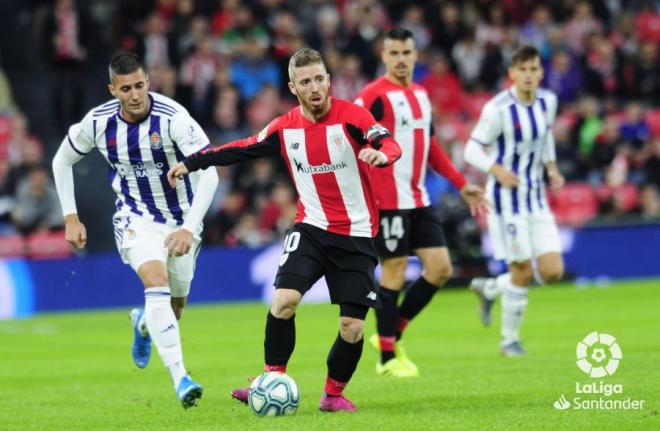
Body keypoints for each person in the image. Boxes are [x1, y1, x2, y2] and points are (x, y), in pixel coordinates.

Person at [168, 48, 402, 412]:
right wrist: (193, 162)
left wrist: (382, 154)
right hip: (310, 229)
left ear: (328, 80)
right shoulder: (285, 126)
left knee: (351, 328)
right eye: (305, 81)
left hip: (356, 234)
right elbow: (242, 147)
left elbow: (387, 140)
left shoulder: (353, 116)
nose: (314, 87)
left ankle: (332, 395)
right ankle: (269, 380)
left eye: (319, 79)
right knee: (284, 301)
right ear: (293, 87)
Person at [51, 52, 219, 408]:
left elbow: (211, 173)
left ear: (148, 83)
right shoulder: (98, 123)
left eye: (140, 85)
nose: (135, 94)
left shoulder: (174, 118)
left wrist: (189, 229)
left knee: (173, 307)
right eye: (125, 88)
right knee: (155, 283)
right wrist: (70, 216)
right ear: (113, 89)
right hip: (136, 218)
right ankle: (181, 379)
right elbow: (61, 160)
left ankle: (143, 323)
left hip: (183, 221)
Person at [354, 28, 487, 377]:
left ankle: (390, 332)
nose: (400, 59)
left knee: (441, 268)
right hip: (386, 201)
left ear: (415, 56)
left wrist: (461, 184)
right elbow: (347, 134)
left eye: (406, 53)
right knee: (395, 269)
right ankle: (387, 357)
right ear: (384, 57)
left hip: (418, 198)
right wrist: (363, 154)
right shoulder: (371, 96)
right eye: (393, 53)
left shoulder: (422, 96)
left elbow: (430, 148)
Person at [463, 45, 565, 356]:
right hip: (506, 202)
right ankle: (509, 341)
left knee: (552, 272)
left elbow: (545, 136)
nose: (529, 75)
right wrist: (497, 170)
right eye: (522, 70)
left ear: (540, 72)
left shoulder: (548, 101)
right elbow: (471, 150)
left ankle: (490, 287)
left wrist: (551, 168)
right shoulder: (498, 109)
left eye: (534, 69)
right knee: (521, 272)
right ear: (512, 74)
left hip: (536, 199)